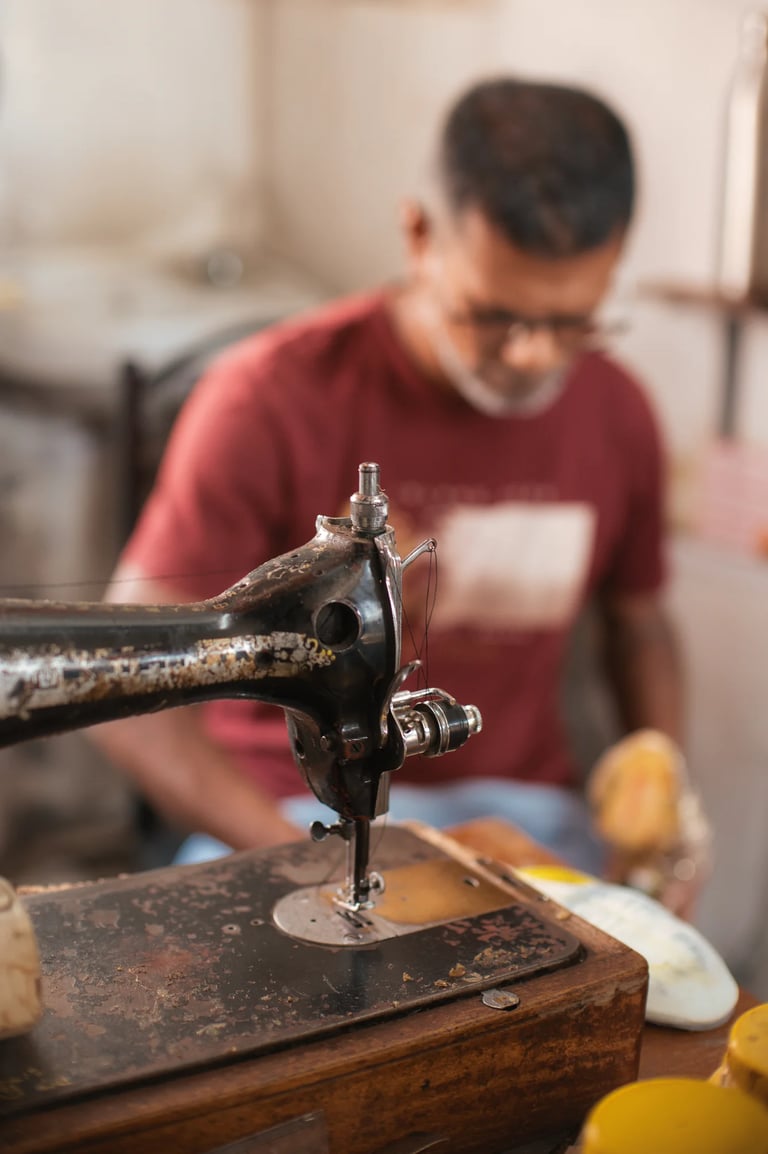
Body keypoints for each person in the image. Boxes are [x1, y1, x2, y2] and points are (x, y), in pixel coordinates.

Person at [89, 76, 705, 910]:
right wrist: (299, 861)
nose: (533, 356)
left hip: (527, 827)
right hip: (286, 815)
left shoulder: (618, 411)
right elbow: (124, 684)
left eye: (572, 323)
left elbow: (641, 625)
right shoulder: (268, 397)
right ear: (418, 235)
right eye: (493, 316)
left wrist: (661, 806)